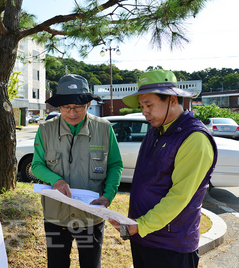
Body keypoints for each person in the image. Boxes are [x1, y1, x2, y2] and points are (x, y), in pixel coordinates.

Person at [110, 69, 218, 268]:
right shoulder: (155, 131)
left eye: (149, 104)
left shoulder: (194, 138)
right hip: (143, 236)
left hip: (171, 246)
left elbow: (180, 196)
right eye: (142, 105)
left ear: (172, 100)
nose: (144, 112)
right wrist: (137, 225)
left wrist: (141, 225)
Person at [31, 74, 123, 268]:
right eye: (66, 107)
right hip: (56, 216)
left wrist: (108, 196)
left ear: (88, 104)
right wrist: (56, 180)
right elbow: (37, 165)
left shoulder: (104, 129)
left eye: (77, 107)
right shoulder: (45, 130)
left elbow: (115, 165)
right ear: (59, 107)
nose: (72, 112)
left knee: (91, 264)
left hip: (91, 217)